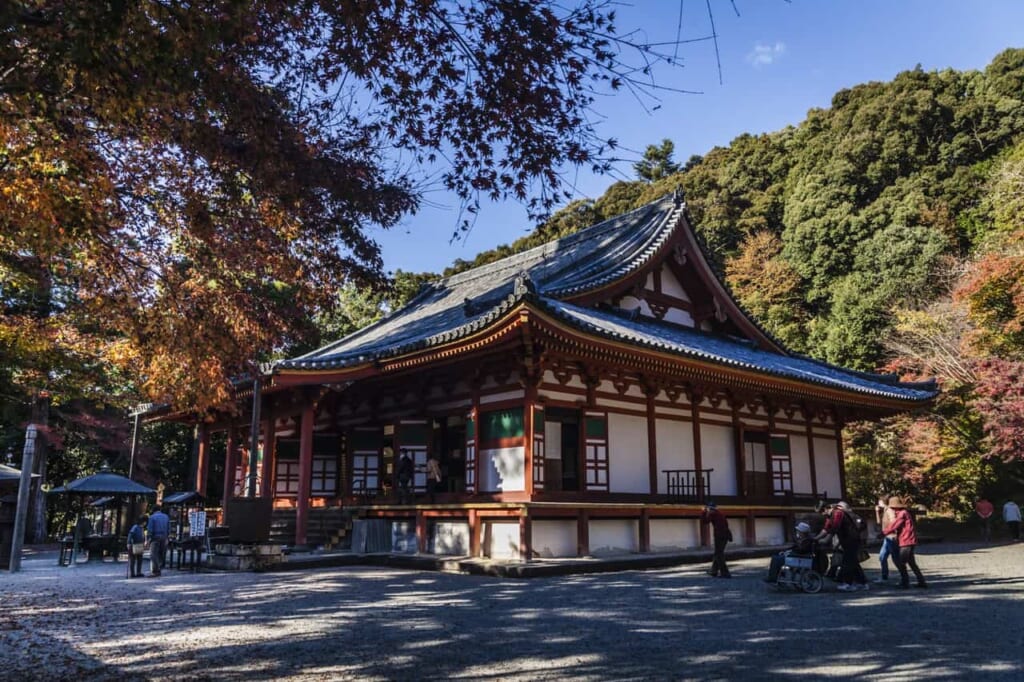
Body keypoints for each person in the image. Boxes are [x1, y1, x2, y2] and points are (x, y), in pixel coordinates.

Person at [816, 501, 867, 592]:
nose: (821, 514)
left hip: (851, 539)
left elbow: (835, 527)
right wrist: (816, 538)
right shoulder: (830, 516)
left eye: (821, 512)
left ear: (825, 509)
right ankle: (862, 583)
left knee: (847, 562)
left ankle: (848, 584)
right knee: (853, 562)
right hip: (846, 541)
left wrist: (826, 539)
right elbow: (826, 528)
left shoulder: (838, 513)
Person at [882, 496, 927, 589]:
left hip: (906, 541)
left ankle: (905, 582)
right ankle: (921, 581)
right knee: (912, 563)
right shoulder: (905, 513)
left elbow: (895, 525)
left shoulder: (902, 514)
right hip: (909, 540)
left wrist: (884, 532)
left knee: (901, 563)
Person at [700, 501, 731, 578]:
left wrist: (703, 512)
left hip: (719, 535)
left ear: (709, 508)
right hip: (726, 535)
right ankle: (713, 571)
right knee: (717, 553)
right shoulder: (720, 513)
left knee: (719, 554)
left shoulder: (712, 513)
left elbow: (705, 521)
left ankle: (725, 573)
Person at [874, 495, 897, 584]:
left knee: (895, 557)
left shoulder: (890, 510)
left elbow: (893, 521)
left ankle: (904, 576)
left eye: (879, 501)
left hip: (891, 536)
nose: (878, 503)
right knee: (882, 556)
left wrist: (889, 530)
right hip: (886, 537)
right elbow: (879, 522)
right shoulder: (884, 510)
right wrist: (877, 512)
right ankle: (884, 576)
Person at [147, 505, 170, 577]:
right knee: (161, 554)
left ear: (153, 510)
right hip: (164, 537)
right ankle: (159, 567)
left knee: (153, 554)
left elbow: (150, 529)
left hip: (155, 537)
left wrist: (148, 539)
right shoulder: (166, 517)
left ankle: (155, 571)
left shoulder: (152, 517)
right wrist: (167, 537)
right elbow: (168, 528)